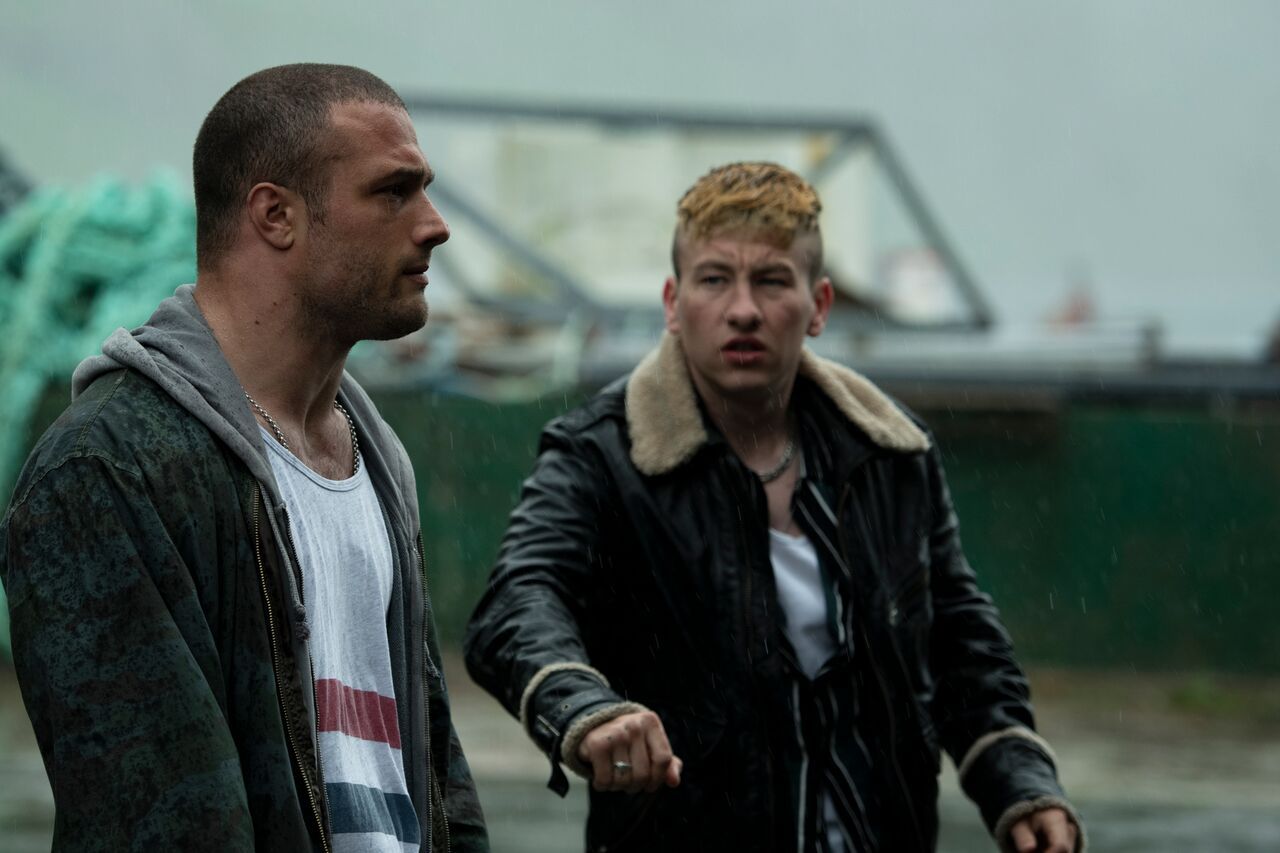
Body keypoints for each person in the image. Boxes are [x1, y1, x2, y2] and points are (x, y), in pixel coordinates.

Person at [465, 162, 1082, 852]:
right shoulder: (603, 455)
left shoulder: (889, 452)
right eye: (714, 279)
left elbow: (960, 639)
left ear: (818, 305)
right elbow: (517, 602)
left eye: (771, 281)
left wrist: (1018, 780)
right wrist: (585, 707)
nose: (743, 310)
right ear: (673, 303)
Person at [1, 64, 487, 852]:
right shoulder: (109, 469)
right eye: (393, 192)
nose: (434, 225)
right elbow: (166, 824)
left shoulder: (375, 457)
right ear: (275, 215)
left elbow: (435, 777)